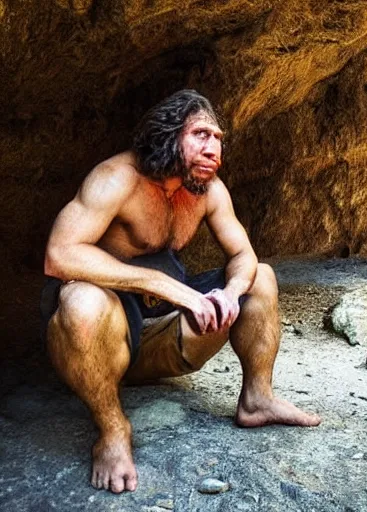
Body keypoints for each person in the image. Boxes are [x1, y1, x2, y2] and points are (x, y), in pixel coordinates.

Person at [41, 89, 321, 494]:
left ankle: (257, 399)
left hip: (168, 336)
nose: (215, 149)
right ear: (169, 134)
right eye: (202, 135)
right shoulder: (116, 178)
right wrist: (168, 287)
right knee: (80, 300)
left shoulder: (207, 191)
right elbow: (59, 255)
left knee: (260, 276)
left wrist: (230, 292)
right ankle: (113, 429)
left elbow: (243, 254)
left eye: (219, 139)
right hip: (105, 342)